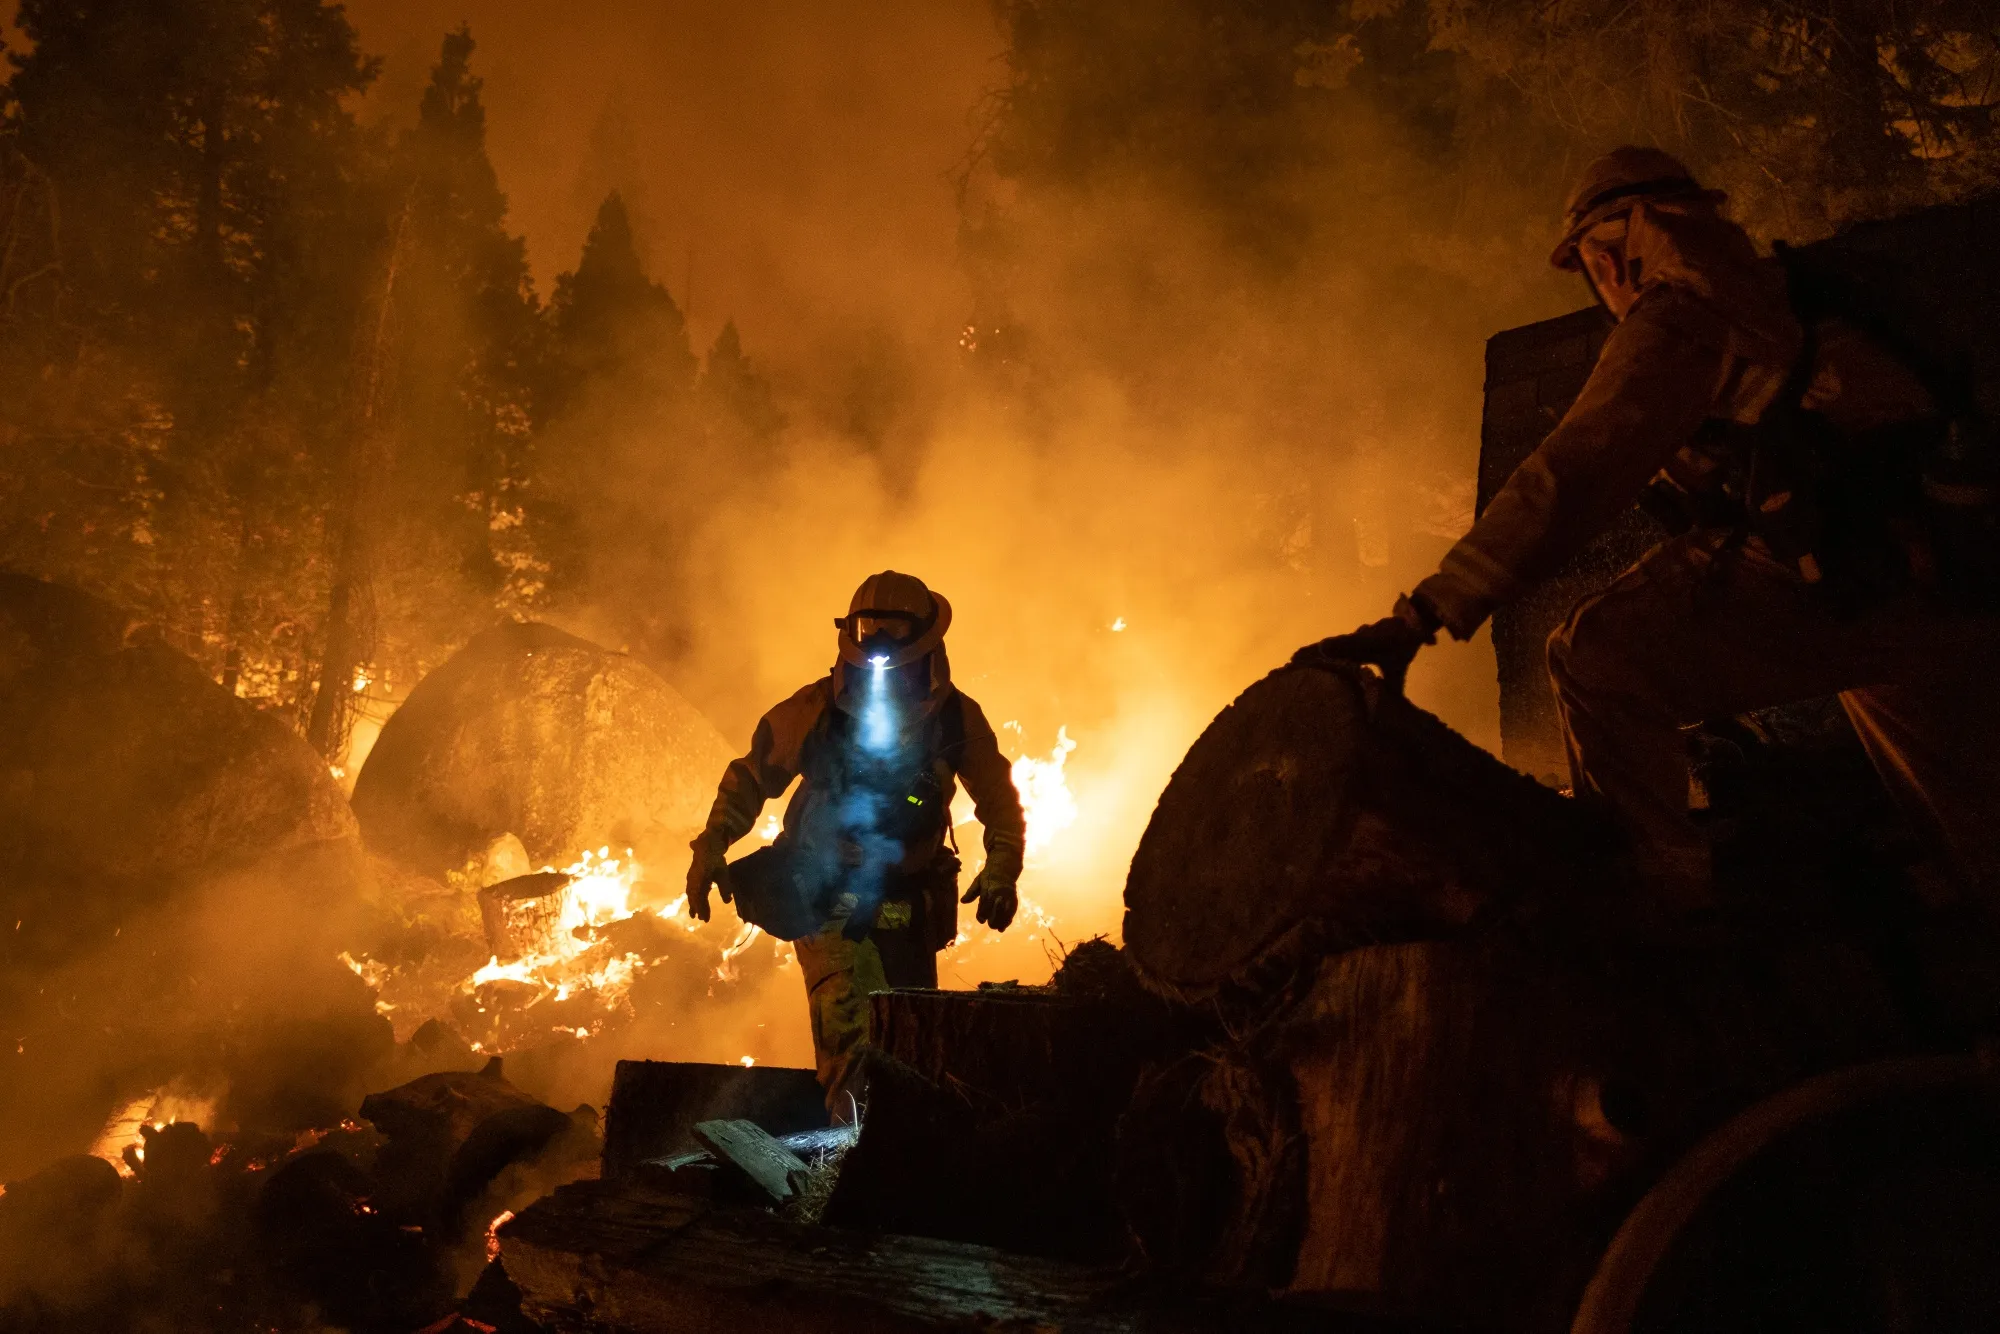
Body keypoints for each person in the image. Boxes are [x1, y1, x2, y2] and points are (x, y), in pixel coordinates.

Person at [1301, 146, 2000, 917]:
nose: (1600, 283)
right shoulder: (1787, 294)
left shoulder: (1686, 316)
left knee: (1595, 657)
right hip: (1944, 571)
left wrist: (1426, 612)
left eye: (1593, 264)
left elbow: (1572, 474)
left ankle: (1664, 905)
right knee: (1975, 826)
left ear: (1613, 250)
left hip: (1848, 577)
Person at [686, 570, 1026, 1111]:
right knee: (857, 1052)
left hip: (908, 907)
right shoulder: (817, 709)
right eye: (873, 630)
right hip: (828, 902)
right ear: (853, 633)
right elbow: (752, 776)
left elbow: (998, 800)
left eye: (896, 632)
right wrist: (712, 844)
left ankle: (900, 1163)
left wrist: (1003, 864)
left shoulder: (955, 716)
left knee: (913, 1045)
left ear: (927, 640)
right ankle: (849, 1172)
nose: (884, 646)